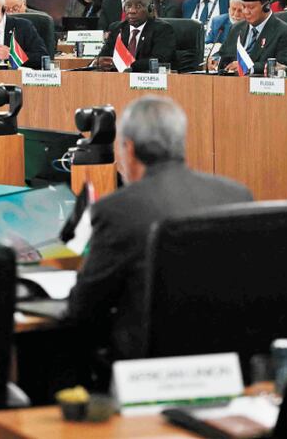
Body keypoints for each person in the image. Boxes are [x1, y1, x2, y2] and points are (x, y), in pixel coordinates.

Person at [66, 96, 252, 360]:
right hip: (230, 360)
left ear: (128, 149)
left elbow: (83, 308)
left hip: (148, 369)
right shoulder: (237, 196)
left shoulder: (117, 210)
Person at [216, 0, 287, 74]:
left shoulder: (286, 32)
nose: (246, 12)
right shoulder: (237, 28)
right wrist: (215, 61)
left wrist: (247, 66)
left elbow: (284, 66)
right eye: (243, 6)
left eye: (251, 7)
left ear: (266, 7)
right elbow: (224, 56)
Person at [93, 0, 177, 72]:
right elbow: (104, 56)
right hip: (118, 80)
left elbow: (158, 61)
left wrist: (124, 65)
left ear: (150, 8)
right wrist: (99, 62)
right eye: (128, 6)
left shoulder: (163, 29)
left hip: (148, 81)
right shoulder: (117, 28)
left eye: (138, 6)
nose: (131, 11)